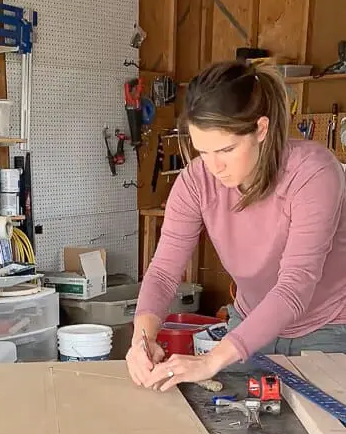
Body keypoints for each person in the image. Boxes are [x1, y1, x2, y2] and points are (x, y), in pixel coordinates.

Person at [126, 60, 346, 391]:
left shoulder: (314, 174)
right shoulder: (196, 180)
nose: (213, 166)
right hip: (248, 323)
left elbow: (294, 287)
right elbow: (162, 272)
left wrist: (211, 360)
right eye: (203, 151)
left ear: (261, 129)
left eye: (226, 149)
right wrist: (142, 338)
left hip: (326, 328)